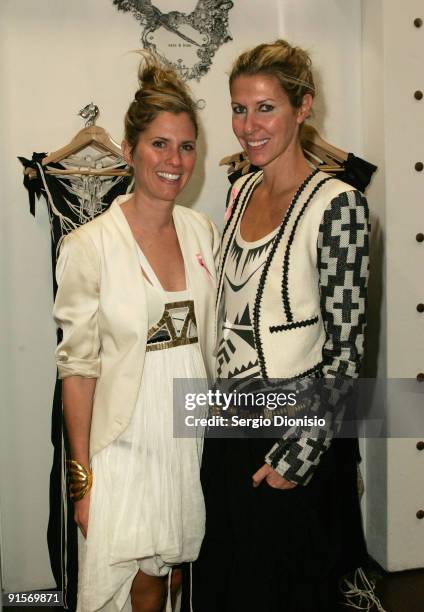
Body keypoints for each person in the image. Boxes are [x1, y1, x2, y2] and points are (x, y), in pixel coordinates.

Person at [189, 39, 370, 612]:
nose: (248, 125)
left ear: (303, 107)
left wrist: (303, 450)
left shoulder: (338, 205)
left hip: (291, 432)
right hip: (226, 428)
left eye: (265, 107)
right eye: (239, 109)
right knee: (225, 584)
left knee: (287, 590)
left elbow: (345, 349)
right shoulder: (240, 190)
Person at [53, 54, 219, 612]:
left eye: (186, 146)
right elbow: (77, 368)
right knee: (123, 588)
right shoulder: (88, 246)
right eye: (159, 144)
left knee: (169, 580)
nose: (175, 161)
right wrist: (83, 479)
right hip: (122, 443)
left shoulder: (201, 231)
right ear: (129, 150)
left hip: (184, 439)